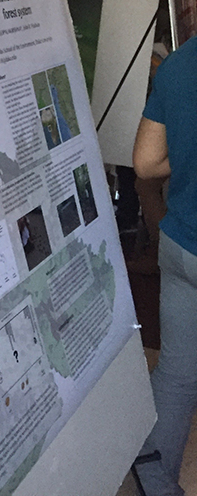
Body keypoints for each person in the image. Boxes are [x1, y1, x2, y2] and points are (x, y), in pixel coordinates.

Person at [132, 35, 197, 496]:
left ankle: (155, 484)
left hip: (181, 251)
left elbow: (146, 162)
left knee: (175, 374)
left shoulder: (178, 64)